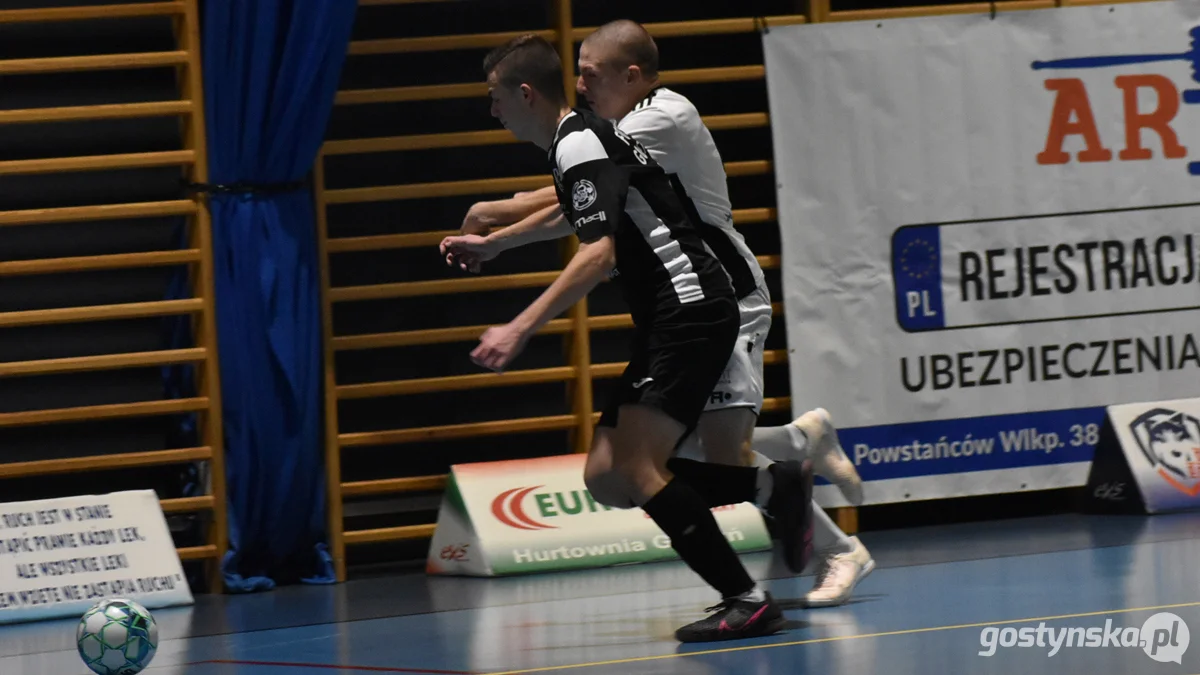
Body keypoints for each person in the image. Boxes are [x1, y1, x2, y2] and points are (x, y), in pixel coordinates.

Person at [445, 20, 874, 607]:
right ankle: (794, 454)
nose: (580, 83)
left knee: (667, 464)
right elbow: (574, 197)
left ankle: (797, 566)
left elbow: (582, 223)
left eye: (590, 74)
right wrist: (496, 238)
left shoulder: (653, 118)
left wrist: (516, 312)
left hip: (706, 294)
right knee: (612, 474)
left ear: (632, 75)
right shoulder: (592, 134)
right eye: (576, 72)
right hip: (674, 307)